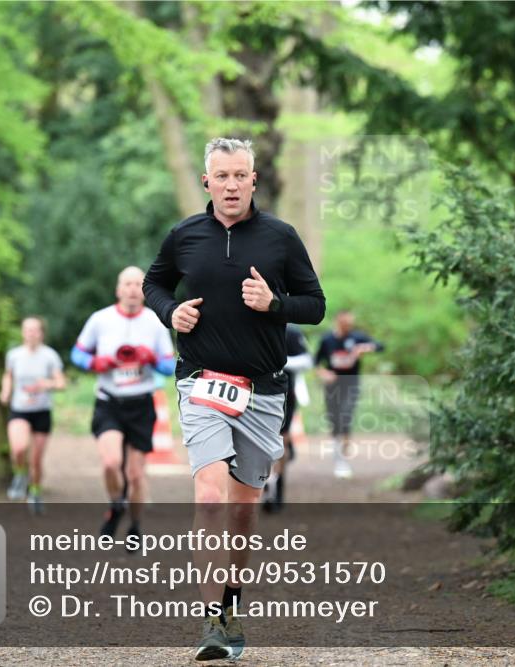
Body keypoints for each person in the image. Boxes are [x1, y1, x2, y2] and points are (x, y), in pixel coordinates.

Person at [143, 137, 325, 661]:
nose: (230, 185)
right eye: (221, 176)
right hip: (201, 382)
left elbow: (314, 305)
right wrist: (169, 312)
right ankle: (210, 623)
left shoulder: (281, 238)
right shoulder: (184, 236)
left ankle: (231, 601)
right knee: (209, 496)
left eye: (239, 175)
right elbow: (156, 284)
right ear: (207, 181)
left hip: (263, 389)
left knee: (244, 509)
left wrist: (275, 304)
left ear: (253, 181)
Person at [70, 266, 176, 546]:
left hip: (141, 405)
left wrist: (151, 358)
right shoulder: (100, 319)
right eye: (126, 284)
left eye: (137, 284)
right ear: (118, 289)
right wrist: (95, 363)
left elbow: (170, 365)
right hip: (109, 403)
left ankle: (135, 525)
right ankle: (116, 504)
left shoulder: (155, 323)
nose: (131, 289)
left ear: (144, 291)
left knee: (136, 474)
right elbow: (77, 353)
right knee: (110, 463)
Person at [0, 316, 66, 513]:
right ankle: (20, 475)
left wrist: (48, 384)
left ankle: (35, 492)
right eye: (27, 330)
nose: (31, 333)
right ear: (22, 332)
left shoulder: (50, 356)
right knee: (19, 448)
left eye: (35, 330)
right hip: (19, 409)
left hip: (41, 411)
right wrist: (5, 391)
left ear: (41, 333)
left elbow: (61, 383)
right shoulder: (14, 355)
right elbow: (8, 376)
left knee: (36, 460)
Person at [315, 309, 383, 479]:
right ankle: (337, 453)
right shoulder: (327, 340)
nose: (348, 327)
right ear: (338, 321)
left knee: (346, 418)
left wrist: (365, 348)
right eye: (345, 324)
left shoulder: (357, 338)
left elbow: (380, 346)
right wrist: (324, 373)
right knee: (335, 420)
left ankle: (342, 460)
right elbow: (316, 362)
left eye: (350, 324)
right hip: (332, 386)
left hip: (351, 384)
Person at [261, 323, 312, 513]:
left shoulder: (290, 331)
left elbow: (307, 360)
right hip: (248, 392)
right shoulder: (244, 324)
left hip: (284, 393)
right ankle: (262, 482)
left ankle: (275, 488)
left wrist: (279, 361)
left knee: (281, 438)